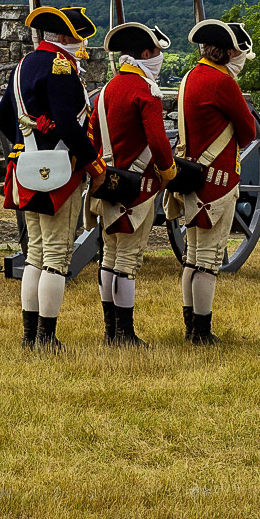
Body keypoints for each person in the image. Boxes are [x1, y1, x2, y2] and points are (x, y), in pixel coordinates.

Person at [0, 5, 106, 350]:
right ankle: (47, 337)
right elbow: (69, 125)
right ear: (62, 37)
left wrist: (26, 141)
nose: (80, 41)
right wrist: (94, 165)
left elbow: (1, 115)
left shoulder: (23, 66)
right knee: (57, 255)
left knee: (35, 254)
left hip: (25, 166)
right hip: (60, 170)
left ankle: (30, 337)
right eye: (76, 35)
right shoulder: (61, 68)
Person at [166, 19, 256, 345]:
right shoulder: (222, 82)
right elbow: (247, 131)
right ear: (229, 50)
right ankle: (200, 332)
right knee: (207, 259)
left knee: (193, 255)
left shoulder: (190, 76)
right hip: (215, 181)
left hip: (191, 174)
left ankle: (192, 324)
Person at [88, 23, 177, 346]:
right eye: (156, 53)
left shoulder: (108, 89)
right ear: (145, 54)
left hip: (109, 181)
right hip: (138, 186)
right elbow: (158, 142)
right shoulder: (147, 91)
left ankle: (110, 329)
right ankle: (124, 333)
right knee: (127, 260)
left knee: (109, 257)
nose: (159, 59)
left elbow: (94, 136)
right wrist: (168, 174)